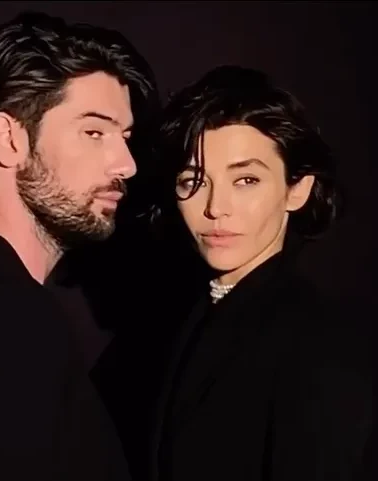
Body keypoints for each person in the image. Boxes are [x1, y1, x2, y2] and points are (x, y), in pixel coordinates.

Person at [0, 11, 158, 481]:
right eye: (94, 132)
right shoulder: (3, 310)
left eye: (124, 137)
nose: (126, 164)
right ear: (9, 140)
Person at [92, 65, 374, 480]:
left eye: (246, 180)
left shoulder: (320, 344)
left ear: (297, 189)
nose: (215, 208)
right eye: (194, 180)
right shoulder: (171, 325)